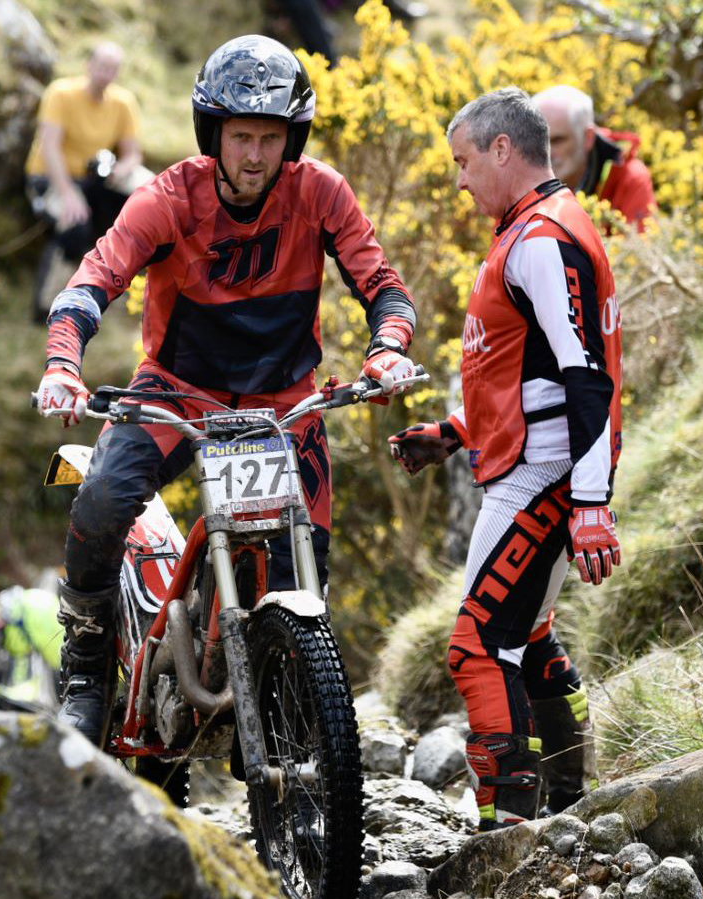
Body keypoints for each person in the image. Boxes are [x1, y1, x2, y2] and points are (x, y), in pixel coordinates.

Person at [33, 35, 420, 745]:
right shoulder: (167, 198)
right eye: (240, 135)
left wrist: (388, 349)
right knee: (103, 498)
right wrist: (63, 364)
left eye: (270, 139)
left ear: (291, 139)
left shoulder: (321, 192)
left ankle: (285, 717)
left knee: (306, 571)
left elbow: (383, 286)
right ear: (213, 133)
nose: (253, 154)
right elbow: (90, 283)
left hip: (285, 406)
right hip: (179, 391)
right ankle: (87, 665)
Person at [389, 87, 623, 830]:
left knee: (476, 647)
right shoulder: (533, 227)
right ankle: (567, 806)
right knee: (528, 632)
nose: (458, 179)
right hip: (538, 465)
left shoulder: (541, 240)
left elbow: (585, 374)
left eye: (462, 160)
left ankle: (506, 831)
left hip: (543, 475)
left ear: (500, 149)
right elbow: (533, 374)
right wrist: (453, 432)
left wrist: (589, 503)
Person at [26, 42, 147, 322]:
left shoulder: (122, 102)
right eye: (102, 66)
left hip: (93, 178)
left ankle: (130, 285)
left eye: (113, 69)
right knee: (74, 225)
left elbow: (133, 154)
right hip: (51, 178)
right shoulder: (61, 94)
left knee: (142, 197)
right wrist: (68, 194)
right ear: (88, 65)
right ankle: (47, 305)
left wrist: (120, 170)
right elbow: (49, 148)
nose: (106, 74)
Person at [532, 85, 658, 233]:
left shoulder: (629, 177)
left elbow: (641, 249)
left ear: (588, 138)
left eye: (557, 140)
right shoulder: (521, 179)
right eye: (538, 141)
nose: (545, 153)